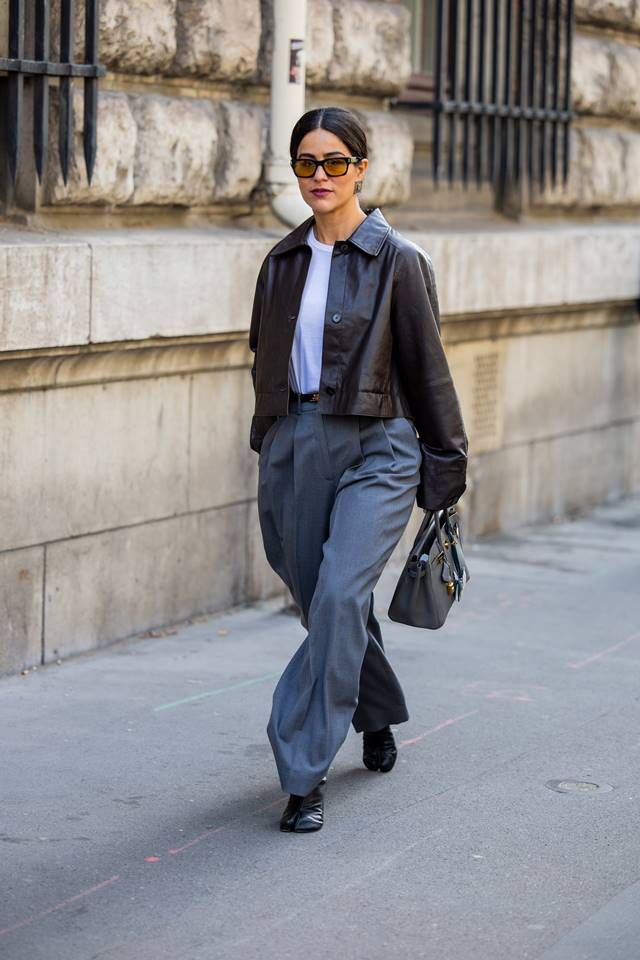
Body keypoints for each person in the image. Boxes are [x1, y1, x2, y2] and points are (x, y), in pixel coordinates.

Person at [248, 106, 467, 833]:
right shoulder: (281, 262)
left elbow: (430, 372)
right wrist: (269, 440)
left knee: (342, 592)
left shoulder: (399, 260)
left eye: (335, 163)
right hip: (298, 439)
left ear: (361, 169)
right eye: (306, 162)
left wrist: (445, 467)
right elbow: (264, 359)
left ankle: (303, 769)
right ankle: (375, 710)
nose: (319, 176)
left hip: (381, 443)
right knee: (322, 601)